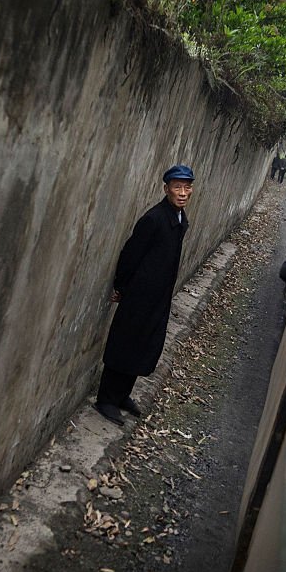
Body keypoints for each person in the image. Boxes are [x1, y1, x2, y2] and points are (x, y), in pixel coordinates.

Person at [94, 164, 195, 425]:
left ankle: (122, 395)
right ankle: (106, 398)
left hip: (158, 296)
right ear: (166, 189)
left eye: (187, 187)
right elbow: (130, 254)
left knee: (142, 345)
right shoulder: (154, 219)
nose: (182, 193)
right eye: (177, 187)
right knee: (125, 343)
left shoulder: (180, 218)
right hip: (138, 294)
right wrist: (121, 287)